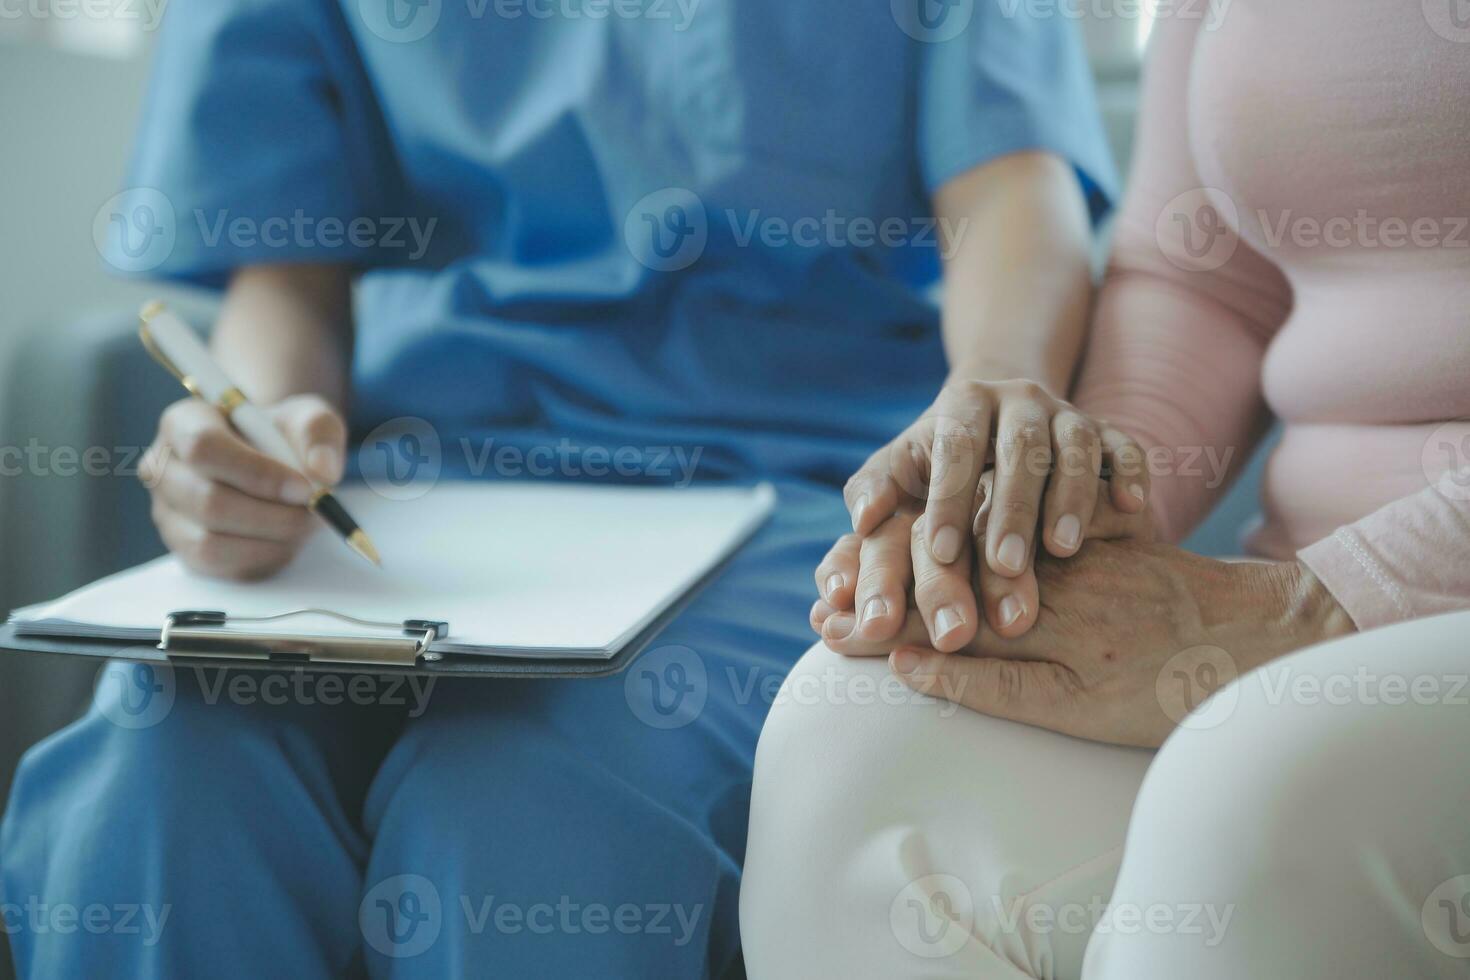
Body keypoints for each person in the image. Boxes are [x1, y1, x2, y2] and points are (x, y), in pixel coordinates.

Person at [1, 2, 1133, 976]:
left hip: (790, 487)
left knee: (529, 815)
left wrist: (991, 388)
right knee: (147, 784)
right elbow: (287, 269)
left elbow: (1014, 196)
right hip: (409, 494)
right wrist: (262, 434)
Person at [741, 5, 1470, 978]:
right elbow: (1205, 275)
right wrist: (1064, 505)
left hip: (1390, 611)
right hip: (1301, 594)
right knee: (853, 722)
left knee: (1260, 780)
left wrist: (1319, 607)